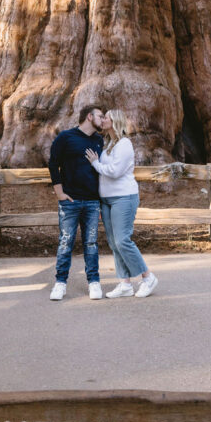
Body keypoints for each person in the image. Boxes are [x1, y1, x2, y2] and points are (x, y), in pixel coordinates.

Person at [85, 109, 158, 298]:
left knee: (122, 240)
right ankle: (125, 284)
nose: (103, 120)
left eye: (106, 117)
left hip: (124, 197)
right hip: (107, 200)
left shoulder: (125, 144)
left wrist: (95, 164)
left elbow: (115, 171)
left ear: (114, 121)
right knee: (113, 242)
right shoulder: (108, 143)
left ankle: (148, 277)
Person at [48, 105, 104, 301]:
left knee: (91, 243)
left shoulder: (99, 140)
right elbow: (53, 163)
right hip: (70, 201)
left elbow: (100, 172)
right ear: (89, 117)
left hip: (91, 201)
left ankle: (94, 282)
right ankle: (60, 283)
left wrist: (99, 201)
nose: (103, 119)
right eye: (100, 116)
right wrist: (60, 193)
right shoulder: (66, 137)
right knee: (65, 242)